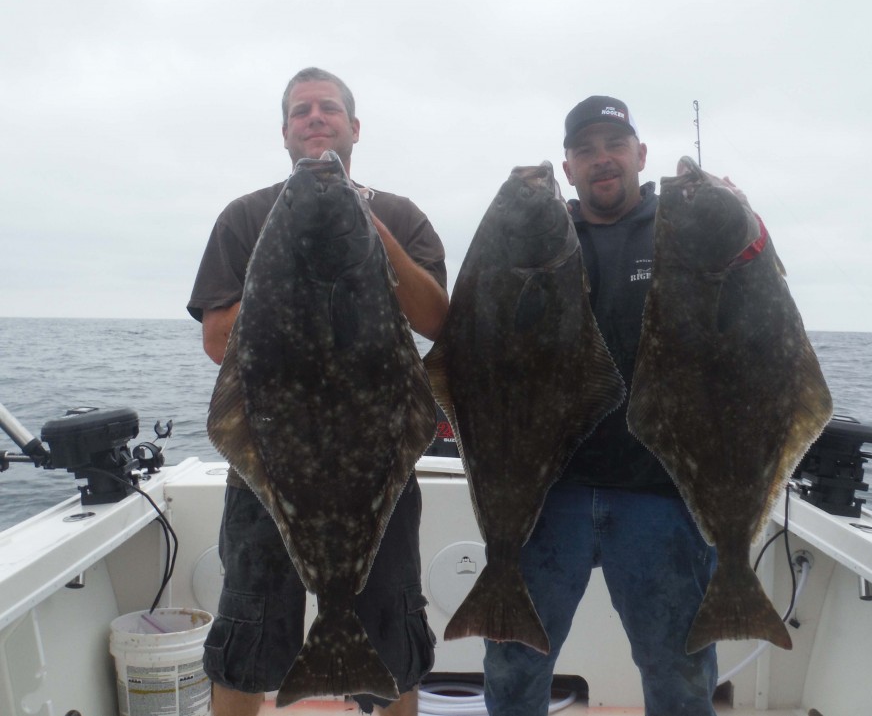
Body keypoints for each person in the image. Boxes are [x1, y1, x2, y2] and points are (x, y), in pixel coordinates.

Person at [187, 67, 449, 716]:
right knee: (246, 638)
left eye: (328, 108)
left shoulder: (401, 216)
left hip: (376, 465)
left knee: (393, 640)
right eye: (300, 110)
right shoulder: (246, 218)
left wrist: (370, 231)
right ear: (284, 132)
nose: (314, 118)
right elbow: (218, 341)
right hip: (271, 466)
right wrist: (281, 259)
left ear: (353, 127)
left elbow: (438, 321)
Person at [482, 96, 719, 715]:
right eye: (585, 150)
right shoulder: (540, 234)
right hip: (545, 492)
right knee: (514, 663)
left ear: (640, 154)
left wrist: (740, 223)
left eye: (615, 145)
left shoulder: (683, 228)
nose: (602, 159)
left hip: (661, 490)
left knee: (678, 669)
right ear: (568, 168)